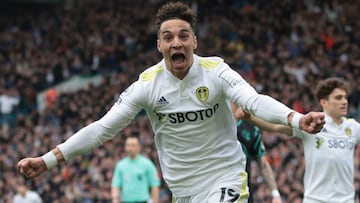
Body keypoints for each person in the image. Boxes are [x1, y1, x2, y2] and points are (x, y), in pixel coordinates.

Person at [17, 2, 325, 202]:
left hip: (225, 176)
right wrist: (47, 160)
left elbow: (253, 101)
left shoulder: (215, 71)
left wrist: (296, 119)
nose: (176, 42)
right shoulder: (147, 85)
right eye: (168, 37)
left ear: (194, 41)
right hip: (182, 190)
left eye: (183, 35)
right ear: (159, 45)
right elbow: (101, 130)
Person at [235, 77, 360, 203]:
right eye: (338, 98)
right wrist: (249, 118)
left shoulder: (354, 128)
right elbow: (274, 126)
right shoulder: (312, 124)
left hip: (346, 200)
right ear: (324, 102)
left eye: (345, 97)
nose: (344, 102)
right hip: (316, 200)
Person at [232, 104, 282, 203]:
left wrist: (275, 193)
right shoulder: (216, 123)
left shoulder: (250, 129)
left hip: (243, 190)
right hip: (216, 185)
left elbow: (263, 164)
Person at [111, 135, 160, 203]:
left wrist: (155, 200)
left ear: (139, 147)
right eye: (128, 145)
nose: (130, 148)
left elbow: (154, 185)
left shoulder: (147, 164)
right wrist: (115, 199)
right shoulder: (120, 165)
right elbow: (115, 185)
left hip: (143, 201)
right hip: (126, 201)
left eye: (133, 145)